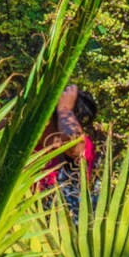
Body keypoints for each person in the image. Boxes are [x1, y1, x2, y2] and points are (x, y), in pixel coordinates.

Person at [39, 84, 99, 213]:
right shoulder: (26, 142)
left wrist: (64, 109)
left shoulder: (83, 146)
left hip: (61, 224)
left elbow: (73, 141)